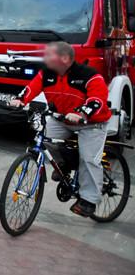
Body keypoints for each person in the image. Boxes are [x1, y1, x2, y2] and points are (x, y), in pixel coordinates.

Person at [10, 41, 110, 217]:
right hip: (63, 118)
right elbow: (31, 89)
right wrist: (20, 100)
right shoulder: (46, 74)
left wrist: (83, 113)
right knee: (45, 141)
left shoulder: (89, 75)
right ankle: (63, 167)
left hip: (92, 123)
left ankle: (89, 200)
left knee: (88, 159)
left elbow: (97, 100)